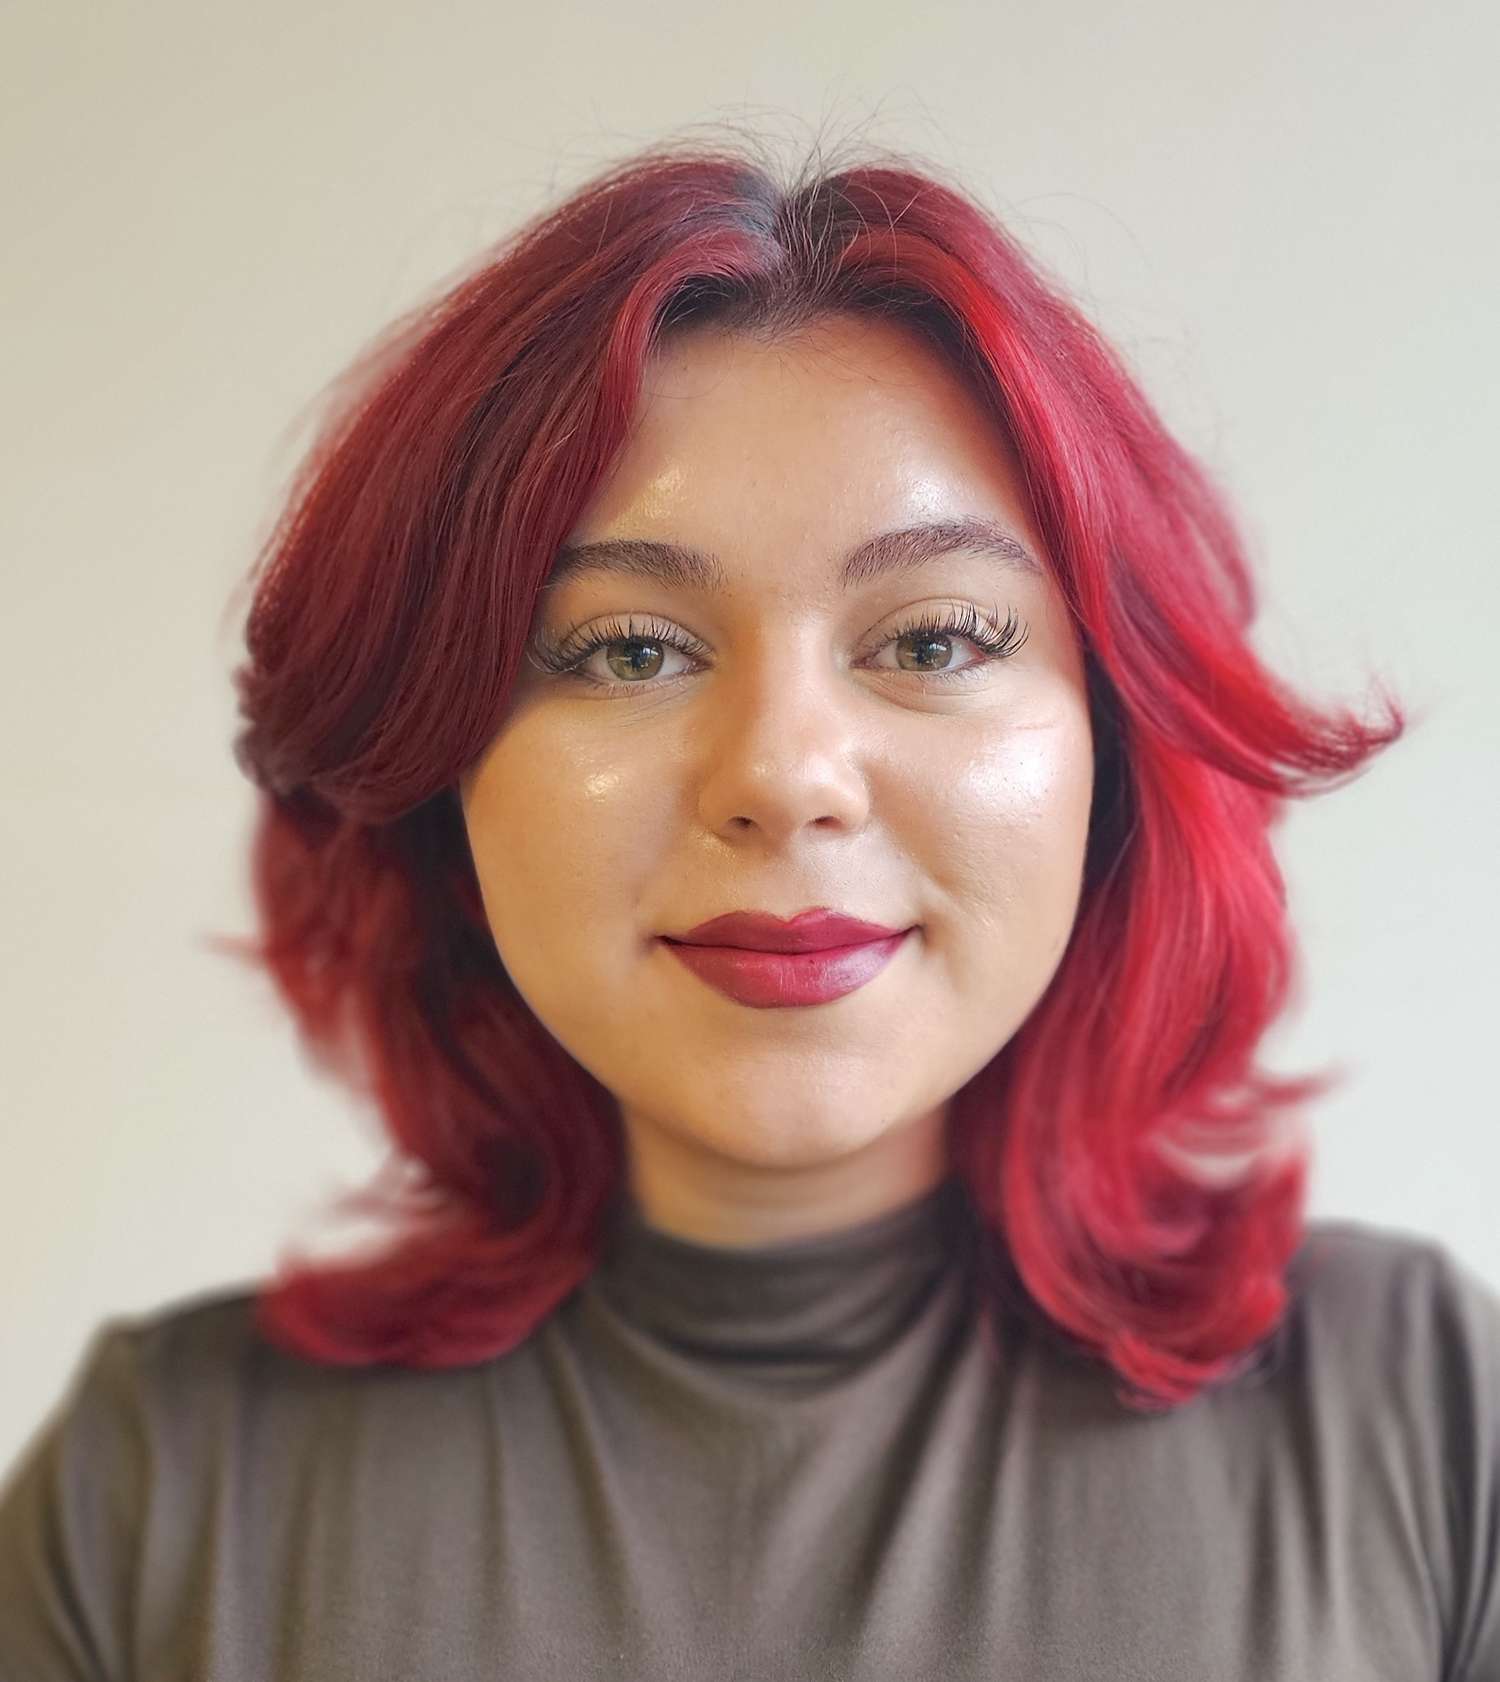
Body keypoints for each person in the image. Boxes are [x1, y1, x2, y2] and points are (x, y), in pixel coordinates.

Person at [2, 132, 1497, 1681]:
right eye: (629, 649)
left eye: (932, 640)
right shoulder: (159, 1496)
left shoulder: (1425, 1420)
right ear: (437, 767)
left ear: (1114, 745)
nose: (785, 778)